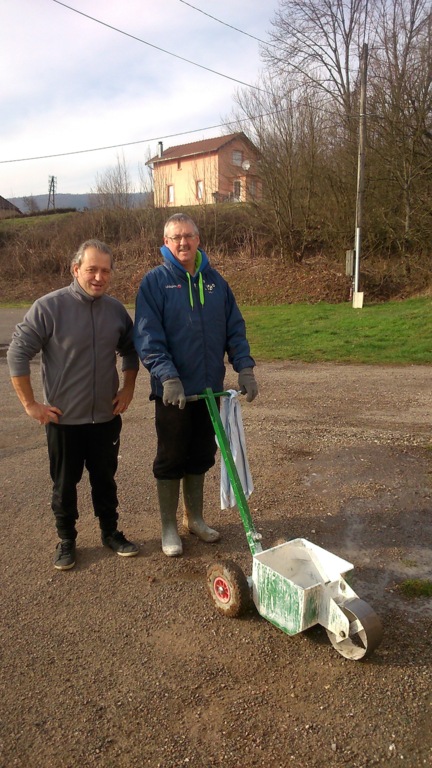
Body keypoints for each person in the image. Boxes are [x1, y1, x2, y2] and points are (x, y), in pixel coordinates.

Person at [7, 239, 140, 570]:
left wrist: (128, 389)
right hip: (64, 421)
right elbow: (17, 353)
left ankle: (110, 533)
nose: (98, 277)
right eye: (92, 269)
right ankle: (66, 540)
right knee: (64, 485)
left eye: (105, 271)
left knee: (105, 481)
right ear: (75, 269)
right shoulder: (49, 307)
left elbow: (130, 349)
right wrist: (30, 404)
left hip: (106, 418)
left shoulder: (115, 310)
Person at [134, 213, 258, 557]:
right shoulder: (155, 283)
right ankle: (169, 527)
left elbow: (235, 329)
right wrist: (167, 376)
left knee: (202, 454)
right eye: (175, 237)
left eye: (188, 236)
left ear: (198, 239)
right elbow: (147, 336)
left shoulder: (216, 283)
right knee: (171, 456)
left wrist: (245, 368)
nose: (183, 242)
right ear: (166, 242)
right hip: (173, 392)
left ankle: (195, 519)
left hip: (209, 390)